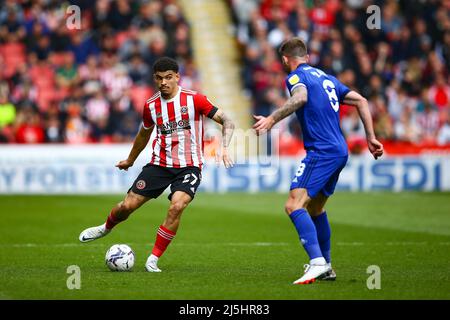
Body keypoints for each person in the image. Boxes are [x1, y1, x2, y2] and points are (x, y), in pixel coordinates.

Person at [79, 57, 235, 272]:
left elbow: (228, 120)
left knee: (177, 206)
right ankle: (105, 228)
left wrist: (224, 147)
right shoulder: (151, 106)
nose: (164, 82)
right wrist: (130, 160)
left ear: (177, 77)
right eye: (159, 78)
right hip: (159, 165)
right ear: (154, 79)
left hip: (189, 167)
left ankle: (153, 258)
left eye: (169, 77)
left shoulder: (195, 100)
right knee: (127, 206)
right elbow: (143, 134)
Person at [253, 38, 383, 285]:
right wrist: (371, 138)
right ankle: (327, 266)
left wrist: (271, 119)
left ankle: (317, 263)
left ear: (285, 60)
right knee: (315, 208)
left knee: (294, 205)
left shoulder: (294, 78)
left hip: (321, 151)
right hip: (339, 150)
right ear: (307, 57)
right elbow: (362, 101)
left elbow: (300, 98)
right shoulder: (327, 79)